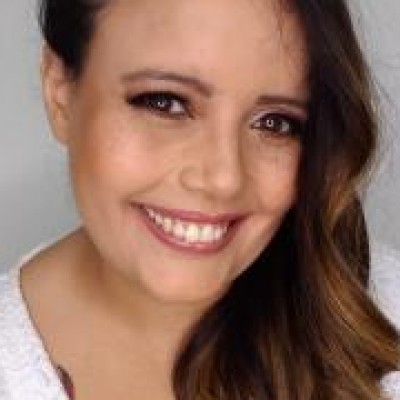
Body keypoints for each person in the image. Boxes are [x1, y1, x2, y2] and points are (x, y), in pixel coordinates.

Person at [0, 0, 399, 399]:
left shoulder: (386, 313)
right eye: (165, 103)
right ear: (60, 92)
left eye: (275, 122)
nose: (224, 179)